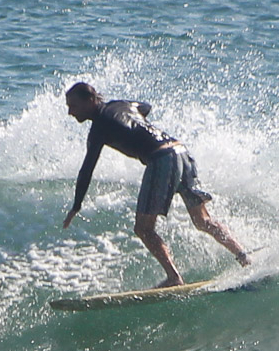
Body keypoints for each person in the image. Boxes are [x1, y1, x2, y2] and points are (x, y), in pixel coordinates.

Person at [61, 82, 249, 287]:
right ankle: (243, 256)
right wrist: (136, 123)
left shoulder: (99, 128)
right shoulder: (121, 104)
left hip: (161, 159)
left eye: (74, 106)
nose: (70, 112)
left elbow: (86, 170)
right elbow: (145, 107)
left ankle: (174, 278)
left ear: (90, 101)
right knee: (203, 221)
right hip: (180, 152)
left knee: (143, 228)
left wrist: (76, 206)